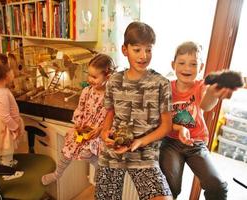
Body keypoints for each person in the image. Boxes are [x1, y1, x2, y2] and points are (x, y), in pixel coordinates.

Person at [96, 22, 173, 200]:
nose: (143, 56)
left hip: (145, 154)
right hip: (113, 151)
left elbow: (166, 126)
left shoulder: (162, 84)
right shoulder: (114, 80)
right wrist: (105, 132)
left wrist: (141, 141)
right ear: (125, 50)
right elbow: (109, 113)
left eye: (148, 50)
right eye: (137, 49)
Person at [159, 41, 231, 200]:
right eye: (182, 63)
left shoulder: (201, 86)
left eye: (193, 64)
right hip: (171, 142)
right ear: (173, 65)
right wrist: (178, 128)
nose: (187, 68)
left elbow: (206, 105)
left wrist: (213, 92)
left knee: (217, 186)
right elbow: (159, 118)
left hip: (196, 143)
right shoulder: (166, 88)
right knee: (170, 186)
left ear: (200, 67)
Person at [41, 53, 116, 185]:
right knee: (68, 150)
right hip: (82, 130)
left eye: (94, 77)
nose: (90, 79)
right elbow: (80, 109)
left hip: (98, 134)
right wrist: (78, 125)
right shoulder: (87, 91)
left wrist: (99, 129)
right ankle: (57, 174)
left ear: (107, 76)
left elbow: (112, 119)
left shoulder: (111, 97)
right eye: (89, 75)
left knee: (87, 152)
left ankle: (100, 172)